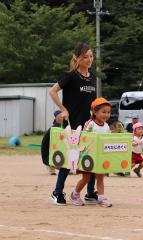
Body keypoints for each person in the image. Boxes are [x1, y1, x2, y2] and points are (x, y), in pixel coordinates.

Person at [48, 43, 97, 206]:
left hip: (88, 125)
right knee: (70, 160)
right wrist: (63, 110)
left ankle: (90, 193)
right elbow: (52, 91)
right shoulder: (70, 76)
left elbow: (92, 103)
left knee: (92, 157)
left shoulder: (92, 78)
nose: (89, 59)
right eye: (85, 57)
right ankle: (57, 193)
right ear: (77, 59)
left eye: (91, 56)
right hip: (72, 125)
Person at [70, 98, 113, 207]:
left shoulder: (107, 126)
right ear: (95, 112)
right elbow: (84, 137)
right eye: (103, 112)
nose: (106, 115)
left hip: (100, 156)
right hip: (88, 156)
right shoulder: (90, 124)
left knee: (100, 177)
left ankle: (101, 198)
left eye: (108, 112)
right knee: (86, 177)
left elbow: (108, 140)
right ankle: (75, 194)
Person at [41, 110, 63, 175]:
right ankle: (50, 165)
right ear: (56, 118)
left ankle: (57, 166)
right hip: (48, 153)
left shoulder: (61, 127)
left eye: (62, 117)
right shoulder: (54, 129)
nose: (61, 118)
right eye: (60, 117)